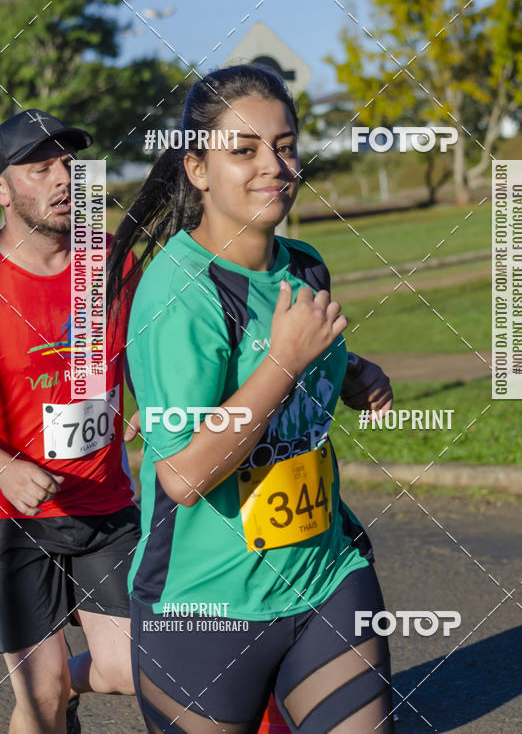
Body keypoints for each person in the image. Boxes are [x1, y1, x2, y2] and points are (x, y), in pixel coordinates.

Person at [107, 65, 395, 734]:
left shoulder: (305, 265)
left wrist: (348, 371)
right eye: (244, 150)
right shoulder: (179, 294)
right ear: (199, 169)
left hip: (324, 574)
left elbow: (298, 370)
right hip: (206, 608)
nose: (275, 166)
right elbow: (183, 474)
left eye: (285, 145)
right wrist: (286, 361)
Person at [0, 109, 141, 734]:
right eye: (40, 167)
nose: (64, 179)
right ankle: (50, 698)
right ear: (2, 190)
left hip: (103, 506)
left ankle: (65, 690)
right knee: (41, 696)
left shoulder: (109, 264)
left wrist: (144, 406)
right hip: (13, 523)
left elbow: (157, 346)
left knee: (138, 668)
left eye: (70, 164)